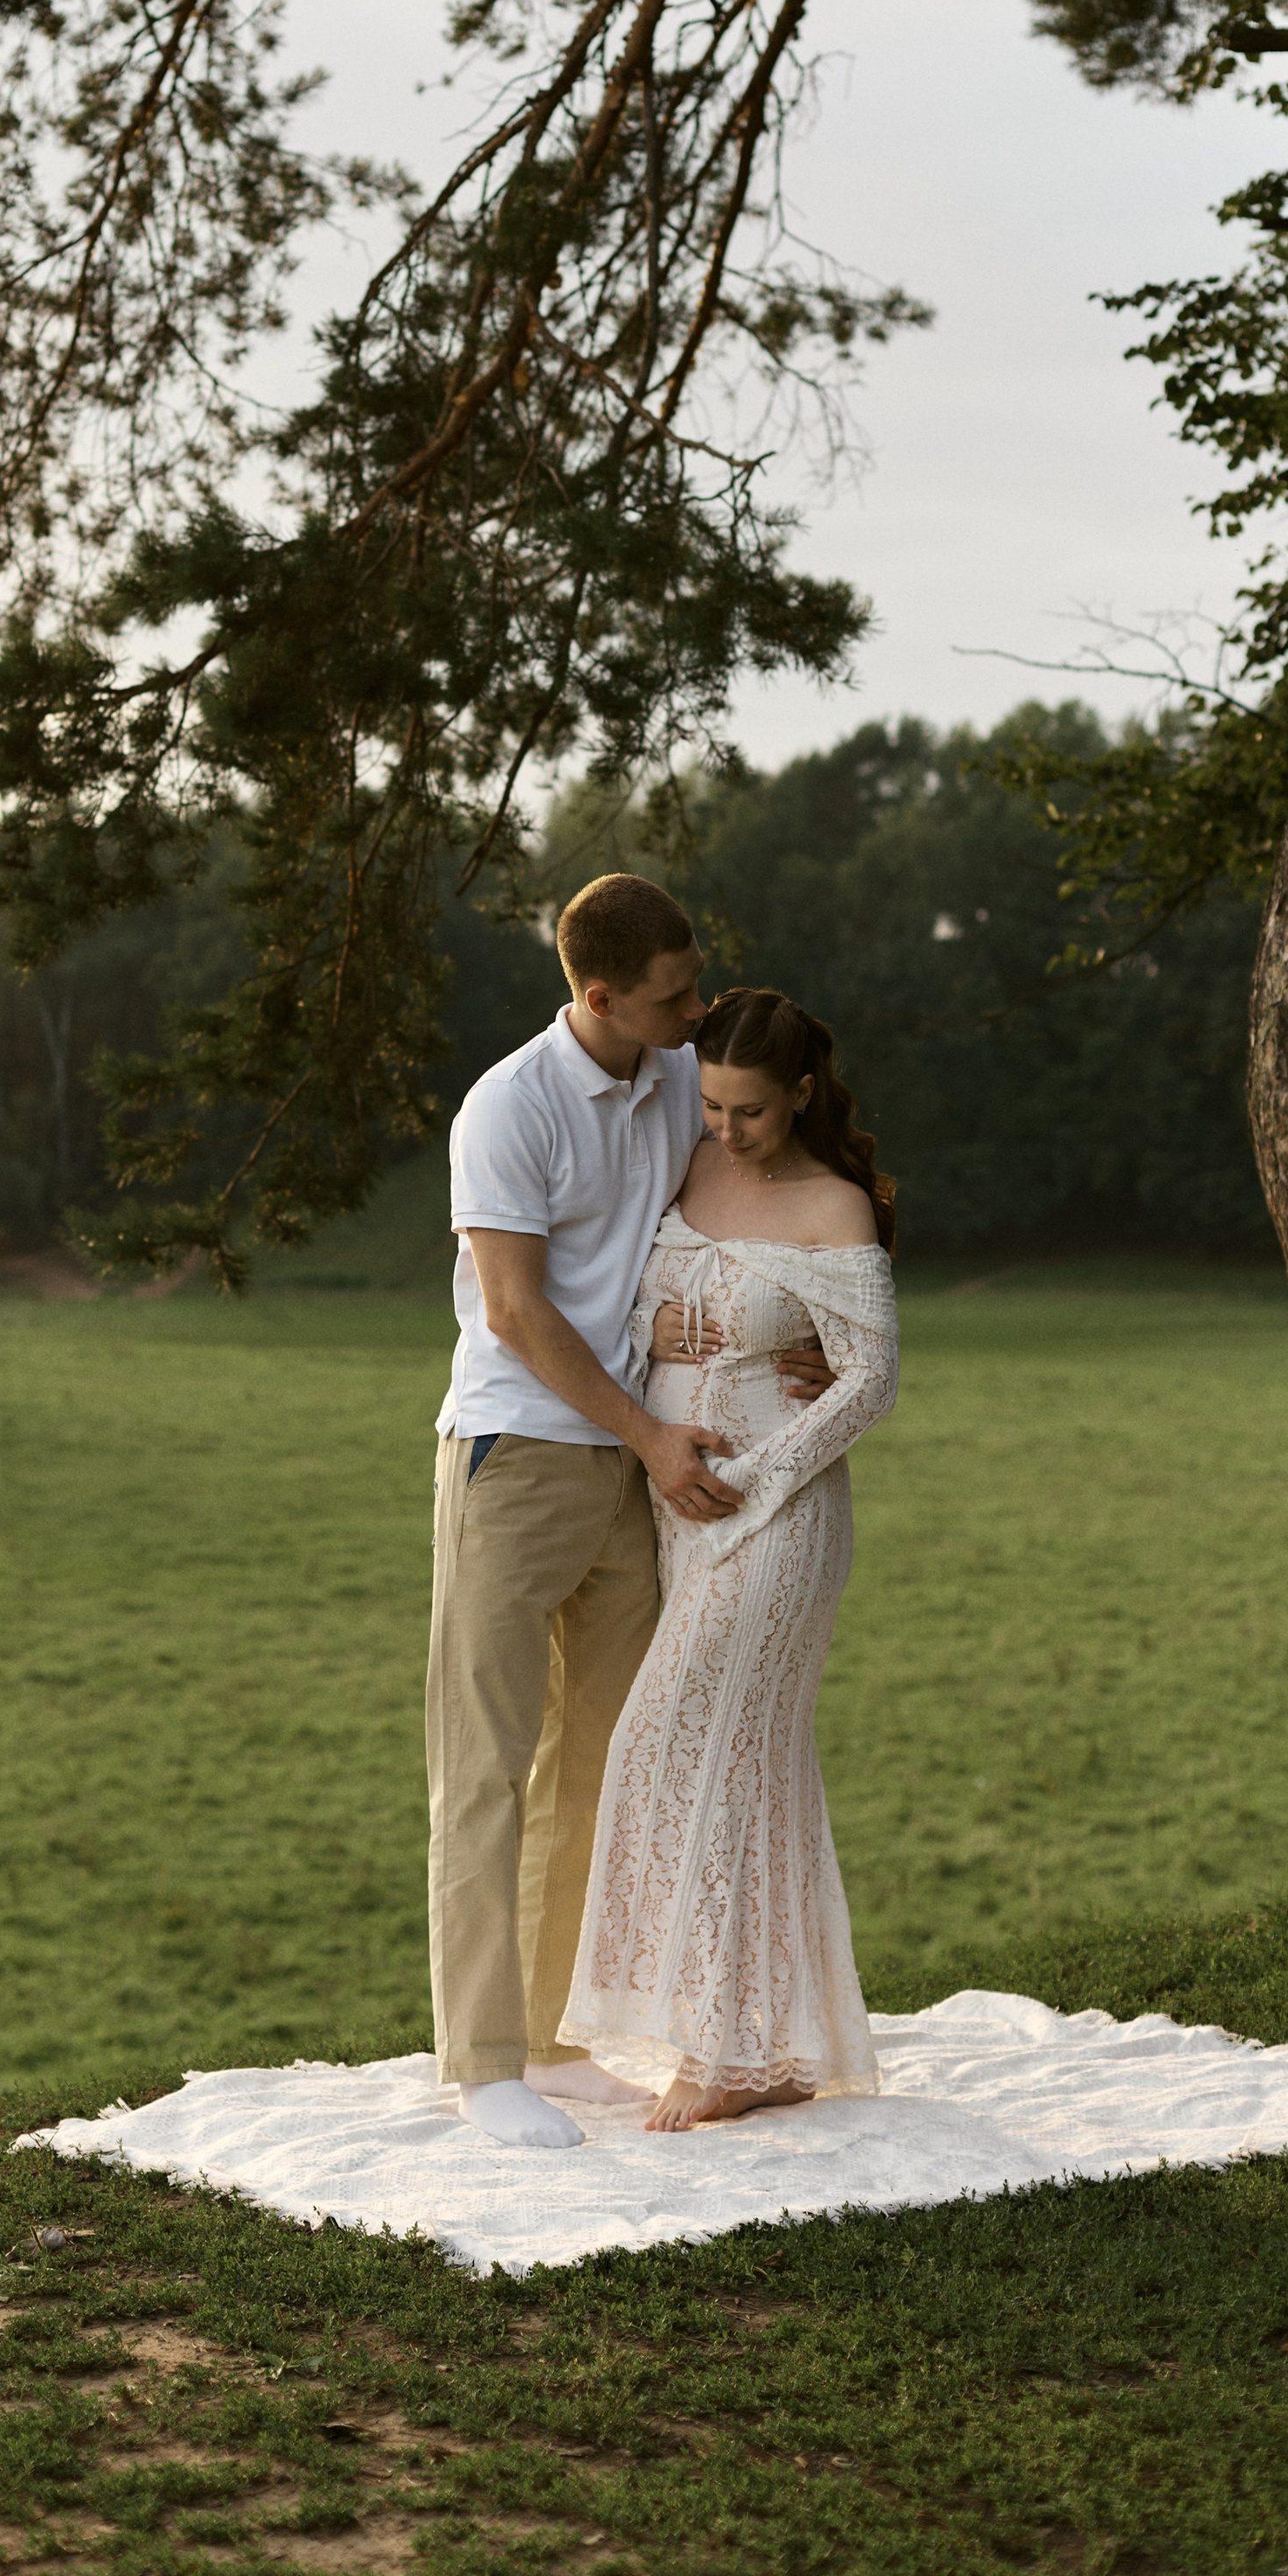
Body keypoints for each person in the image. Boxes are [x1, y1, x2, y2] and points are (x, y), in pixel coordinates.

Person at [428, 881, 833, 2151]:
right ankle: (482, 2063)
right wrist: (649, 1433)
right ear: (597, 997)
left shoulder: (675, 1078)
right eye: (672, 992)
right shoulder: (510, 1107)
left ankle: (555, 2037)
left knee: (606, 1757)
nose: (696, 1004)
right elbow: (515, 1311)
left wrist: (813, 1335)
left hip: (635, 1465)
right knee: (484, 1765)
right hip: (520, 1457)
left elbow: (766, 1198)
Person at [562, 984, 900, 2130]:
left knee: (671, 1745)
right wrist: (658, 1346)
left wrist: (750, 1477)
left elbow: (869, 1380)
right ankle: (777, 2052)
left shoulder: (834, 1206)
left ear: (800, 1097)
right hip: (678, 1506)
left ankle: (714, 2050)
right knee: (751, 1768)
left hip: (777, 1515)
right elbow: (633, 1283)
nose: (725, 1130)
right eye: (711, 1105)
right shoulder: (685, 1164)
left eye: (750, 1112)